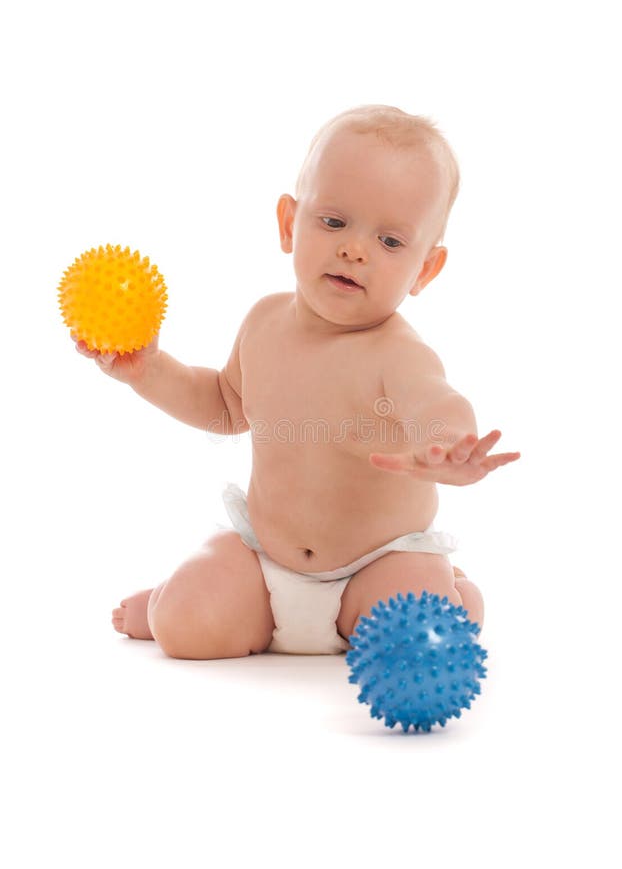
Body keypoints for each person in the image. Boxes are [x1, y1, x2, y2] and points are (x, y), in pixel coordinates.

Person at [74, 104, 520, 659]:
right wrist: (149, 371)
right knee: (187, 627)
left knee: (415, 636)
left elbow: (437, 404)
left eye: (390, 242)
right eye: (333, 222)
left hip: (377, 566)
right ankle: (168, 602)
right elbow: (222, 404)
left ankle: (454, 594)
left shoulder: (397, 354)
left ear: (425, 270)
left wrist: (452, 448)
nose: (354, 249)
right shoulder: (264, 322)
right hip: (267, 560)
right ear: (290, 223)